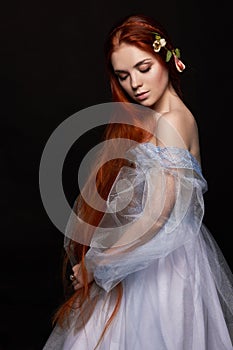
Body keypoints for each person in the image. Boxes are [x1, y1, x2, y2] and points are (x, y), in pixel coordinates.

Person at [43, 14, 233, 349]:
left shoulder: (172, 120)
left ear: (168, 58)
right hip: (156, 257)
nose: (135, 84)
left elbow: (157, 215)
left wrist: (97, 262)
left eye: (144, 68)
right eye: (124, 75)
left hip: (163, 267)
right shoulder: (164, 119)